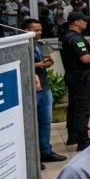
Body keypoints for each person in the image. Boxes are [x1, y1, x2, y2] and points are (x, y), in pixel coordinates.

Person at [24, 19, 66, 165]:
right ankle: (33, 157)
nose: (39, 33)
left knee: (46, 122)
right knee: (32, 124)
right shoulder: (22, 46)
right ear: (25, 30)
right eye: (35, 30)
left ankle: (45, 152)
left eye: (40, 30)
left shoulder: (39, 45)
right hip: (31, 89)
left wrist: (47, 63)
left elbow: (48, 61)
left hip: (45, 87)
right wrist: (39, 64)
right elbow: (22, 63)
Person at [60, 11, 90, 151]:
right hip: (80, 77)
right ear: (76, 22)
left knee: (73, 106)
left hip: (72, 75)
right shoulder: (75, 38)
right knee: (82, 107)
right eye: (84, 20)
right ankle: (83, 140)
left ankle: (73, 136)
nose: (86, 22)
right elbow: (85, 58)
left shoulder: (64, 36)